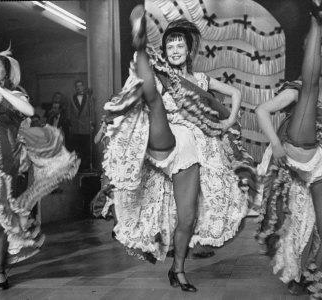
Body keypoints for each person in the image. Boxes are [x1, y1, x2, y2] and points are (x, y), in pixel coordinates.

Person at [100, 5, 256, 292]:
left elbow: (235, 93)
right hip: (162, 137)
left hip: (192, 147)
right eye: (169, 45)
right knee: (154, 101)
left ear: (188, 49)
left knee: (187, 217)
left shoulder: (201, 80)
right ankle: (140, 47)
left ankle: (178, 269)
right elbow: (132, 96)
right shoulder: (162, 75)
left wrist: (230, 120)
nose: (173, 49)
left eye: (178, 45)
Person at [0, 11, 80, 289]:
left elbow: (28, 110)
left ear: (8, 72)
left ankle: (0, 270)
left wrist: (2, 90)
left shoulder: (14, 96)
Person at [256, 1, 322, 299]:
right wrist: (274, 142)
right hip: (302, 154)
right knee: (308, 90)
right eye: (320, 53)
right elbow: (262, 111)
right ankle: (317, 21)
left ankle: (312, 278)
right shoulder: (297, 88)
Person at [68, 80, 95, 171]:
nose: (79, 87)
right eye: (77, 86)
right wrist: (70, 125)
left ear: (83, 87)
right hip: (75, 127)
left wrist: (92, 124)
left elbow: (92, 112)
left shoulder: (88, 98)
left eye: (80, 86)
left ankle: (86, 167)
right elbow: (69, 113)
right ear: (75, 88)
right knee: (76, 148)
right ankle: (78, 168)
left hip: (85, 127)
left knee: (86, 147)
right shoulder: (71, 98)